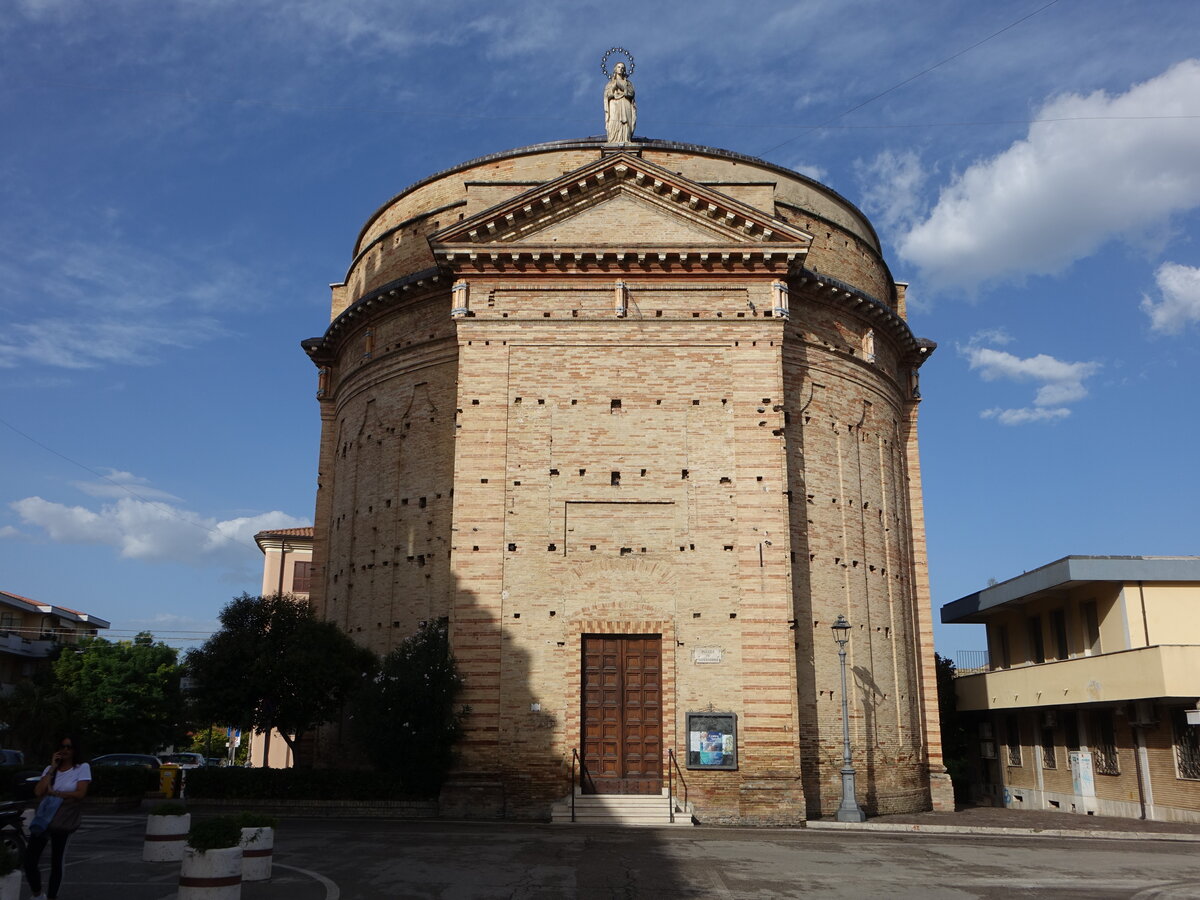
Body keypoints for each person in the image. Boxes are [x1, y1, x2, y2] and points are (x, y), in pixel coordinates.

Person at [24, 736, 90, 900]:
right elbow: (38, 792)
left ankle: (52, 896)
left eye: (69, 747)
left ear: (75, 750)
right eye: (62, 747)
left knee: (57, 860)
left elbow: (81, 793)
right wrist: (53, 767)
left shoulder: (81, 768)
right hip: (45, 818)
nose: (65, 750)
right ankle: (38, 894)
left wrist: (57, 794)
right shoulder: (49, 769)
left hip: (63, 818)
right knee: (30, 860)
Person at [604, 61, 636, 143]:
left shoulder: (628, 83)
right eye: (618, 67)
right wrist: (613, 89)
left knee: (625, 123)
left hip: (625, 103)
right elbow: (607, 95)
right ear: (615, 69)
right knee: (614, 120)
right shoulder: (610, 83)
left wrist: (622, 87)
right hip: (614, 103)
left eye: (622, 68)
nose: (620, 69)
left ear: (624, 70)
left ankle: (625, 139)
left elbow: (631, 93)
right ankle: (613, 139)